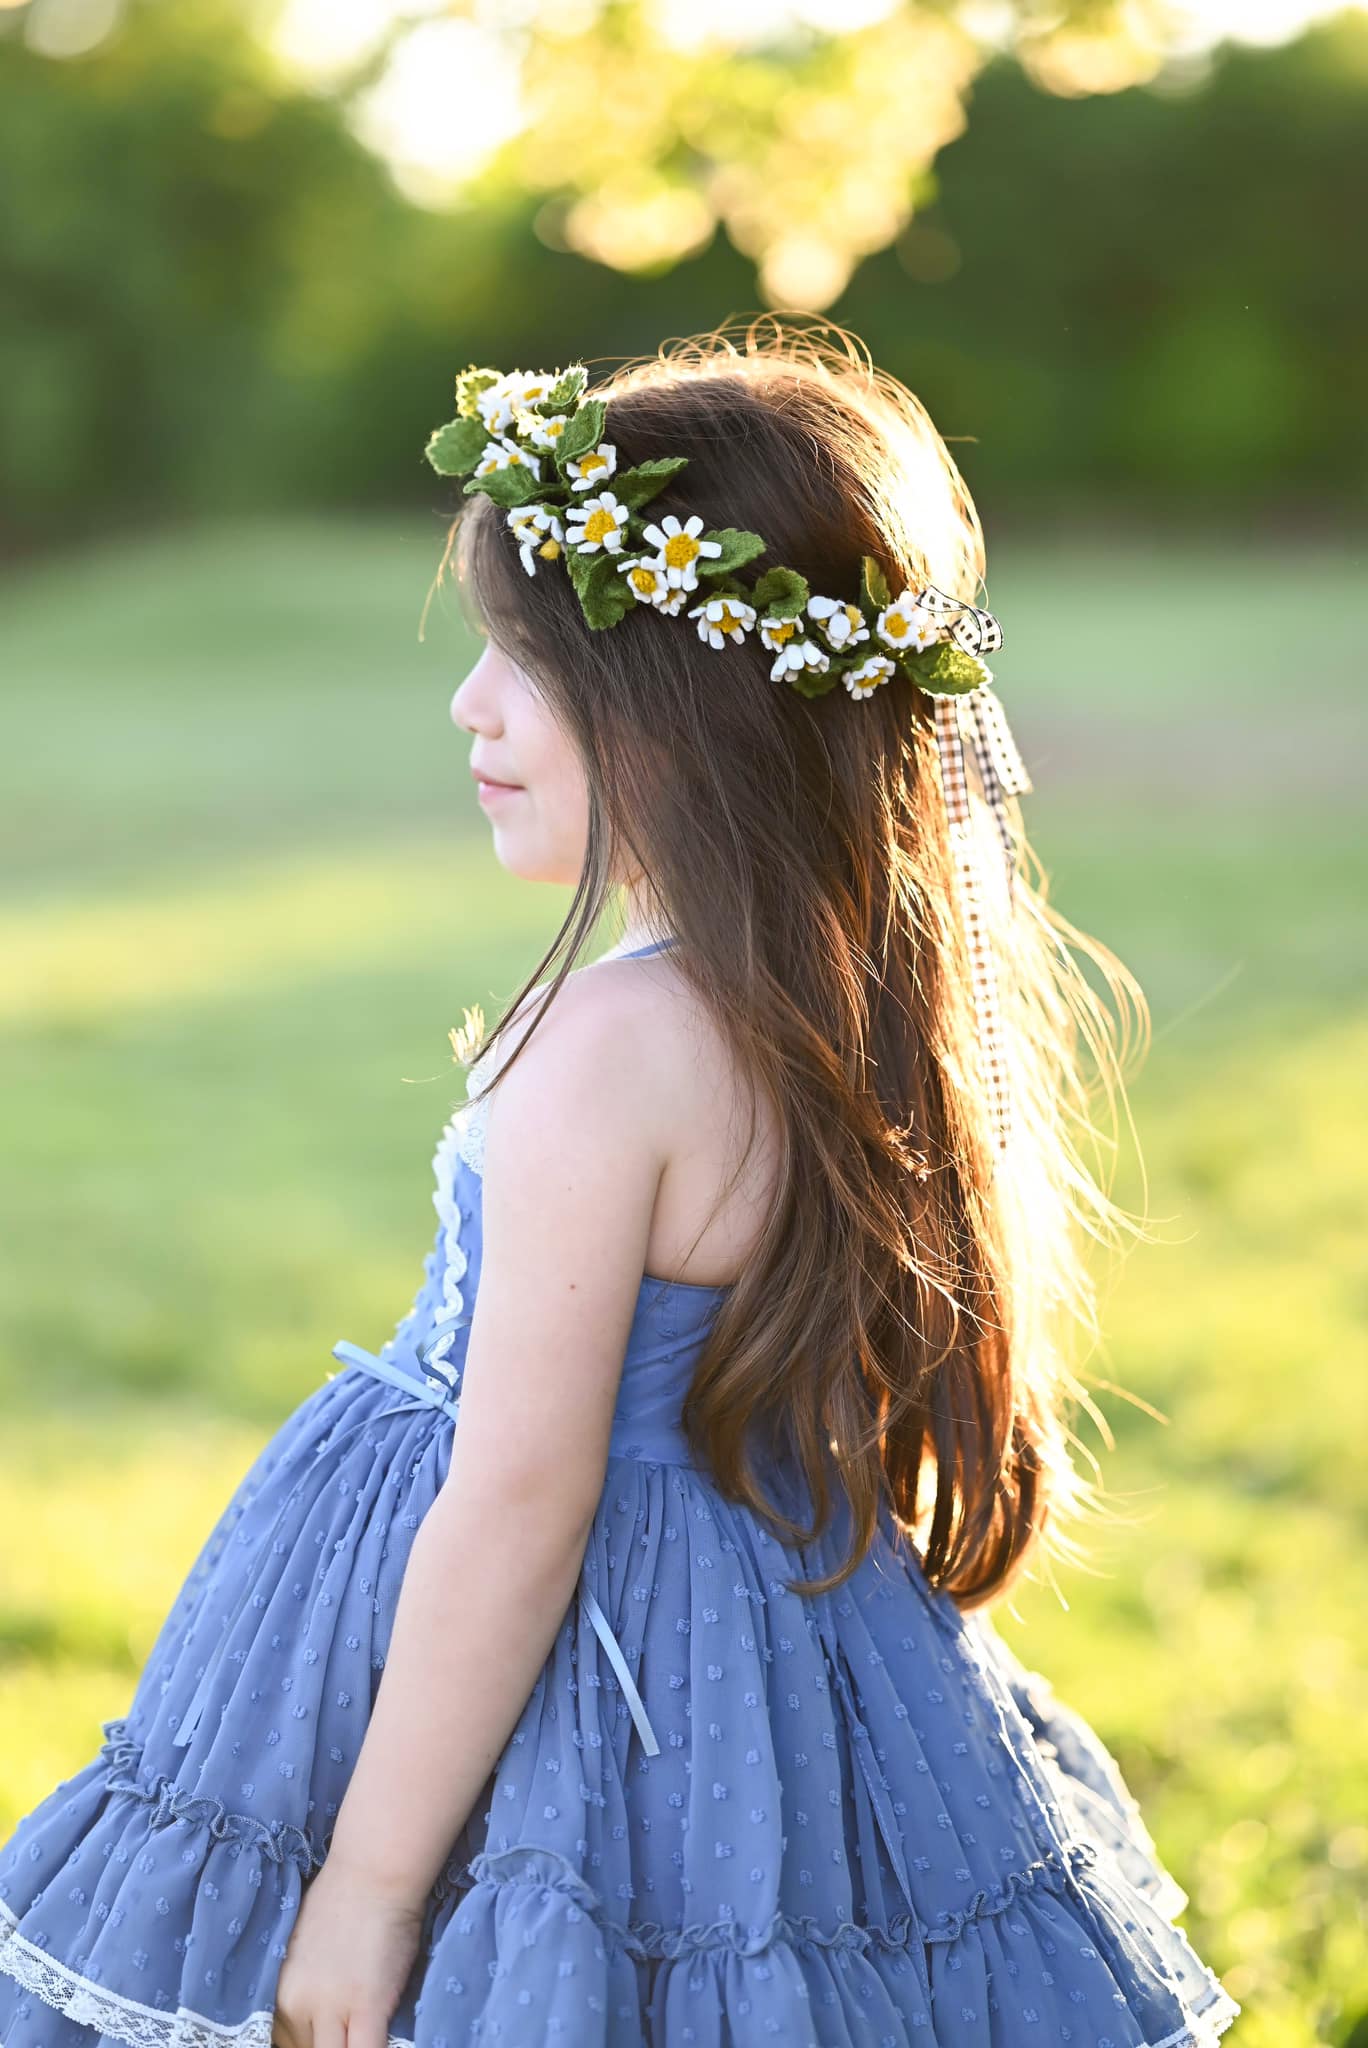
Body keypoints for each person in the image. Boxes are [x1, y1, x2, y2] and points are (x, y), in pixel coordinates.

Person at [0, 320, 1241, 2048]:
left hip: (585, 1675)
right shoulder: (833, 1006)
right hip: (755, 1662)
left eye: (524, 663)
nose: (470, 704)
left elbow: (520, 1501)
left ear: (690, 711)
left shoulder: (606, 1048)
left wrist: (362, 1897)